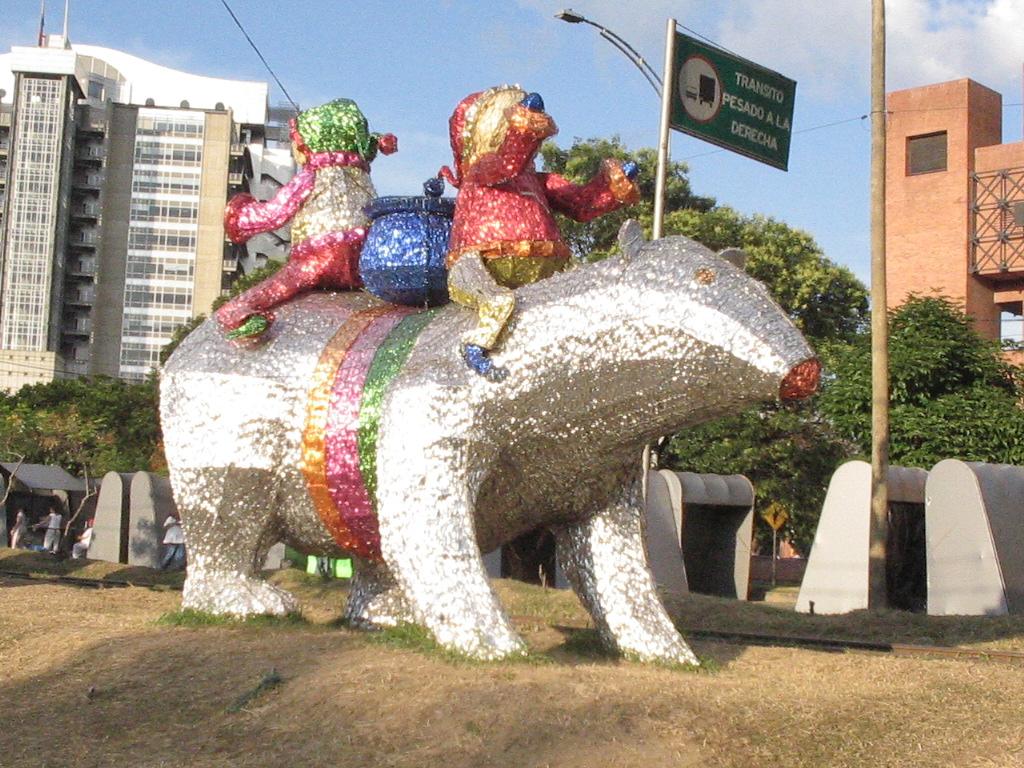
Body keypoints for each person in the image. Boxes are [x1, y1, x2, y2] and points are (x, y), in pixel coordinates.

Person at [439, 85, 639, 380]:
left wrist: (610, 187)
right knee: (499, 301)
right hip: (479, 264)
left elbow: (581, 204)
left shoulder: (538, 181)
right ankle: (476, 344)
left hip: (545, 267)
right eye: (510, 117)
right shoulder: (482, 169)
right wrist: (523, 129)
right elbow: (506, 163)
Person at [215, 98, 397, 339]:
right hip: (363, 258)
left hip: (317, 255)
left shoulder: (313, 176)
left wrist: (240, 218)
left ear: (305, 145)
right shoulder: (361, 176)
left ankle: (237, 314)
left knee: (278, 286)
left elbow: (275, 213)